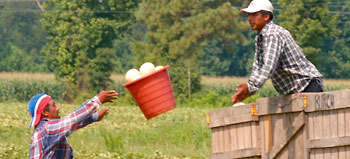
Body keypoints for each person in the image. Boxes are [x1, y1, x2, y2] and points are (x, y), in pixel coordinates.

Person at [232, 0, 324, 104]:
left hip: (307, 84)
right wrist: (250, 86)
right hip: (293, 90)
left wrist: (250, 87)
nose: (249, 19)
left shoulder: (273, 34)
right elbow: (257, 67)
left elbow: (269, 66)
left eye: (253, 15)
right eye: (248, 15)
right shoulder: (260, 37)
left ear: (266, 17)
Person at [28, 90, 118, 159]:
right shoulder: (47, 128)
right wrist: (98, 100)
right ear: (45, 112)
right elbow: (73, 120)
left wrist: (95, 117)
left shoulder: (45, 129)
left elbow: (73, 125)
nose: (58, 108)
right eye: (54, 106)